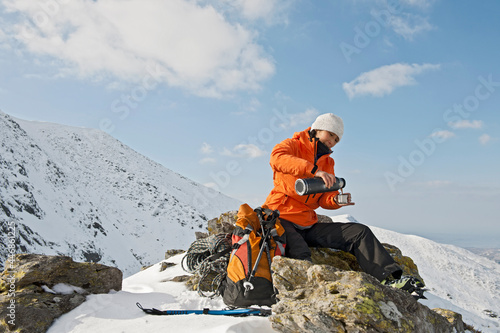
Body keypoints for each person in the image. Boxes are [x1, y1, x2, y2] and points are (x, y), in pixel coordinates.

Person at [263, 113, 408, 286]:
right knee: (300, 252)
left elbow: (324, 199)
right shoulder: (293, 145)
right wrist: (313, 170)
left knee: (359, 232)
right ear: (317, 129)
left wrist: (336, 201)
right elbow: (277, 159)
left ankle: (391, 278)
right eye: (330, 134)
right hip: (281, 217)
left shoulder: (329, 163)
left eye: (337, 139)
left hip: (307, 222)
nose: (332, 141)